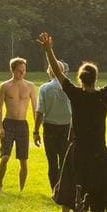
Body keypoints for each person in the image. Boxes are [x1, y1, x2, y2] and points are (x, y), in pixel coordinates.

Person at [38, 30, 107, 212]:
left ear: (80, 78)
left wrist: (48, 49)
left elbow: (57, 72)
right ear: (95, 78)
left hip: (78, 149)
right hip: (98, 149)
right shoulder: (103, 96)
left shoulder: (75, 95)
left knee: (68, 185)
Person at [34, 52, 74, 200]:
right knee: (64, 161)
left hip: (50, 128)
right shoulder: (70, 87)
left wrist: (35, 131)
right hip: (67, 128)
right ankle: (65, 189)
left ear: (50, 71)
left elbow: (40, 112)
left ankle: (55, 190)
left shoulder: (45, 88)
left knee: (52, 162)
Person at [0, 56, 37, 193]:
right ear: (13, 70)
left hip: (22, 125)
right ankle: (0, 185)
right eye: (19, 70)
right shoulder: (5, 86)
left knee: (23, 160)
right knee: (5, 157)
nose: (22, 73)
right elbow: (0, 107)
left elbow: (35, 108)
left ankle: (21, 190)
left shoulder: (30, 86)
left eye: (24, 70)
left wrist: (36, 129)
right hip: (8, 123)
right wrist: (0, 127)